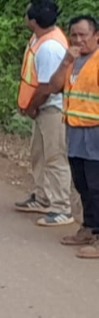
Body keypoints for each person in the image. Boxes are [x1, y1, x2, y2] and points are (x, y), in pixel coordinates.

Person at [14, 0, 75, 227]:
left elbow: (48, 86)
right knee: (39, 155)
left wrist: (30, 106)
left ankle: (61, 207)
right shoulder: (41, 37)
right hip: (42, 108)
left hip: (51, 109)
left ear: (33, 20)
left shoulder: (49, 47)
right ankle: (43, 197)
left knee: (55, 158)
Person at [51, 15, 99, 257]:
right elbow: (54, 85)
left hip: (95, 132)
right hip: (75, 131)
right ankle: (89, 227)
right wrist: (65, 61)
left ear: (96, 36)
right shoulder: (72, 60)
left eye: (84, 35)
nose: (79, 40)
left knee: (96, 185)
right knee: (82, 184)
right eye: (75, 35)